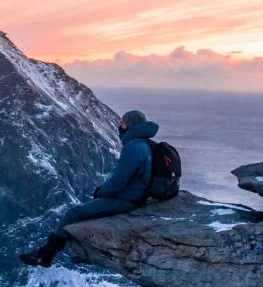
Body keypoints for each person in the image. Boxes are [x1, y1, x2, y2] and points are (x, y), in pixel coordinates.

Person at [20, 110, 159, 267]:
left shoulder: (133, 148)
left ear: (131, 125)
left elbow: (119, 181)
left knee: (73, 214)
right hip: (136, 196)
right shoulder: (145, 144)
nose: (120, 126)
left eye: (122, 123)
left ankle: (46, 255)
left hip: (128, 200)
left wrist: (100, 192)